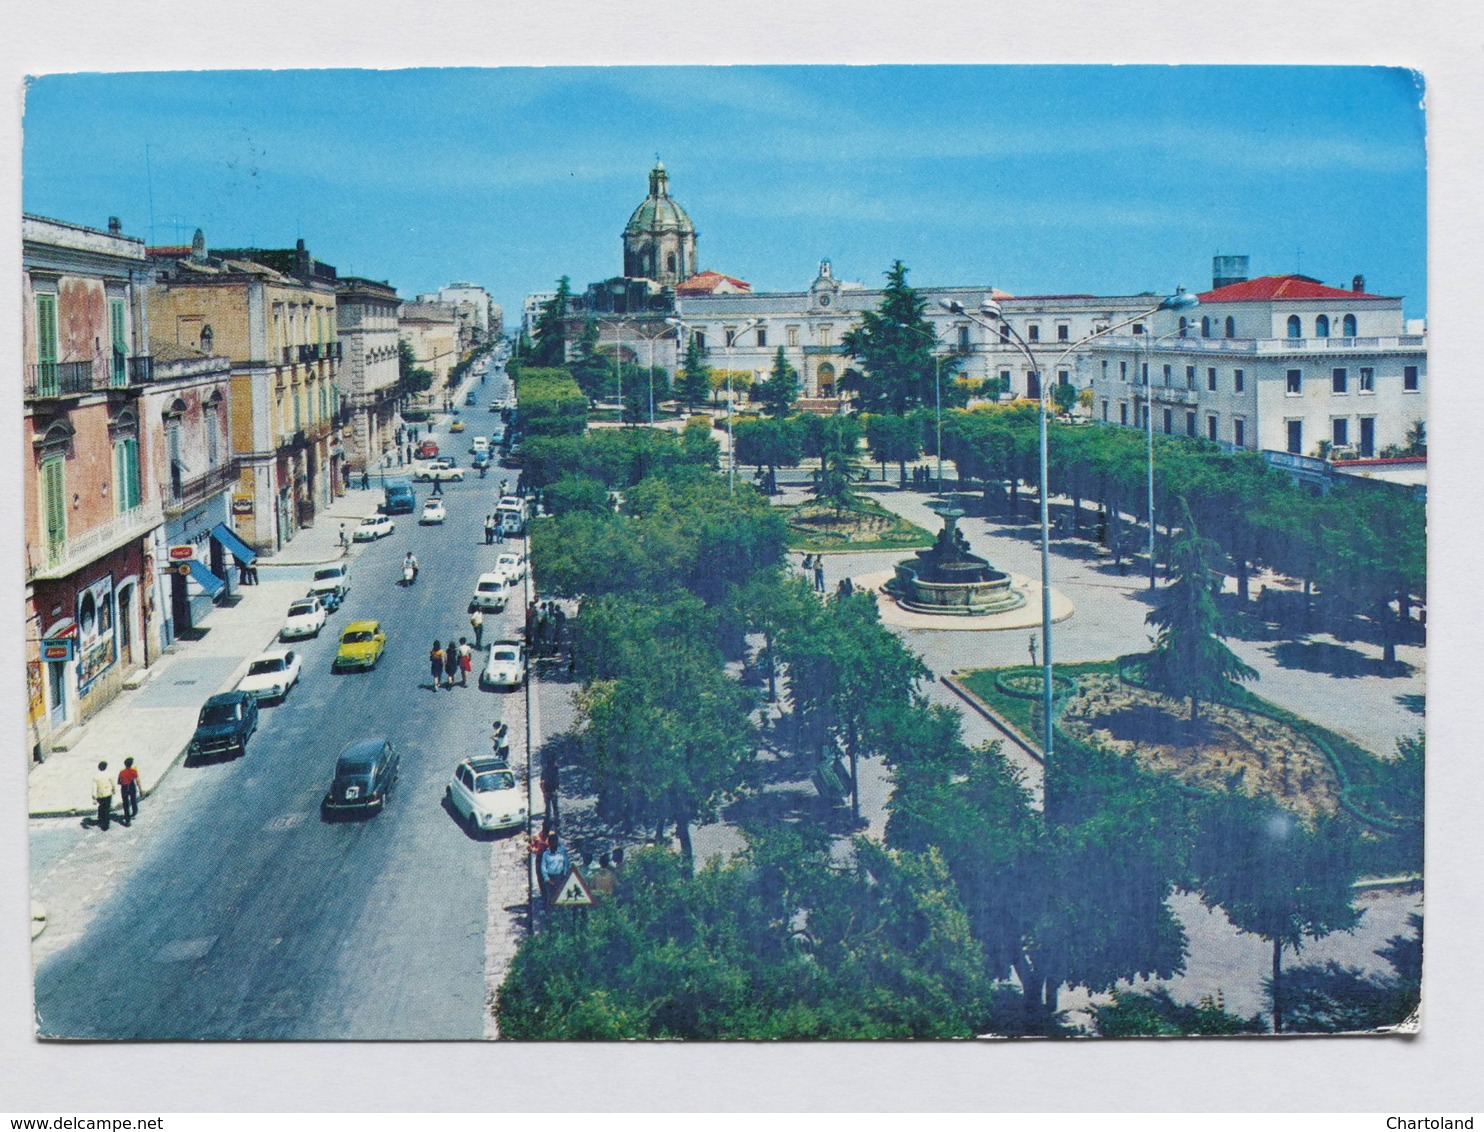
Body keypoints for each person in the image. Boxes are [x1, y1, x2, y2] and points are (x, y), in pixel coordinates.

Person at [539, 833, 571, 902]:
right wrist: (547, 878)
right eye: (552, 842)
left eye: (555, 841)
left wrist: (565, 875)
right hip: (550, 877)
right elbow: (543, 867)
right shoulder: (546, 854)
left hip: (560, 876)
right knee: (551, 898)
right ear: (549, 843)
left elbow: (566, 863)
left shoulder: (562, 851)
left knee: (562, 896)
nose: (554, 844)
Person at [92, 761, 115, 831]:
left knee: (102, 806)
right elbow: (112, 783)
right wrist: (114, 790)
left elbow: (94, 787)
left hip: (100, 795)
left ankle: (101, 818)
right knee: (107, 809)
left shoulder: (96, 776)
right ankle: (106, 824)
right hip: (108, 794)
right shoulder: (109, 774)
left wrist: (94, 797)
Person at [117, 757, 140, 826]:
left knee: (125, 804)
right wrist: (140, 789)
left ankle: (127, 820)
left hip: (124, 788)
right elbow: (137, 780)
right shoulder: (134, 771)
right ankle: (134, 811)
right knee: (133, 799)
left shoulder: (121, 772)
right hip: (131, 786)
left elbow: (119, 782)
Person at [540, 754, 560, 824]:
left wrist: (543, 791)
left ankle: (547, 820)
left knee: (547, 807)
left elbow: (542, 782)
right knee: (555, 807)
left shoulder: (544, 770)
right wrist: (557, 788)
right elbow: (557, 780)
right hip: (553, 791)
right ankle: (556, 820)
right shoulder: (555, 770)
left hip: (546, 791)